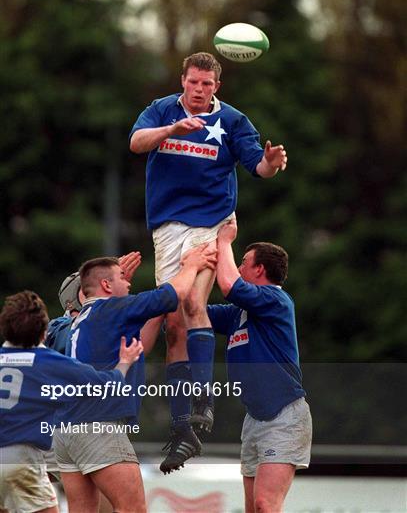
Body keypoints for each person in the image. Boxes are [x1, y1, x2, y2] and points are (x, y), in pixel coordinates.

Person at [129, 51, 288, 472]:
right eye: (193, 82)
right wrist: (171, 129)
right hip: (167, 227)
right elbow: (135, 142)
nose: (199, 90)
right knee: (172, 322)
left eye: (207, 84)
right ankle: (184, 428)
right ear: (183, 80)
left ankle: (204, 396)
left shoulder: (233, 121)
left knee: (194, 304)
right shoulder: (162, 110)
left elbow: (258, 164)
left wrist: (270, 165)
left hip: (211, 221)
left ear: (218, 86)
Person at [53, 243, 216, 506]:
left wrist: (119, 284)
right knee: (133, 508)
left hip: (66, 431)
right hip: (98, 426)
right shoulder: (113, 310)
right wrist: (191, 265)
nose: (129, 283)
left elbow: (140, 341)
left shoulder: (82, 321)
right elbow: (175, 292)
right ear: (106, 286)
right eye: (121, 279)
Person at [0, 290, 143, 513]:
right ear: (43, 332)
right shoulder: (47, 361)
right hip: (21, 458)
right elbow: (104, 385)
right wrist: (124, 362)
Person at [207, 219, 312, 513]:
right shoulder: (239, 313)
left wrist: (224, 242)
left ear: (259, 270)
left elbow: (229, 285)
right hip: (254, 418)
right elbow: (196, 313)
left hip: (283, 414)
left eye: (244, 262)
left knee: (266, 504)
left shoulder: (275, 299)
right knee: (254, 508)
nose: (239, 268)